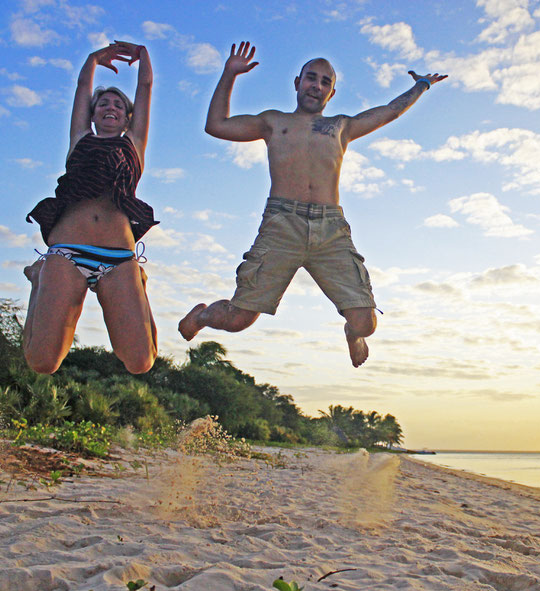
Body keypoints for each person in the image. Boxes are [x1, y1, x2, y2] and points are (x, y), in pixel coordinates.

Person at [178, 41, 446, 367]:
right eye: (311, 78)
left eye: (325, 82)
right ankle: (205, 316)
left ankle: (352, 333)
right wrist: (229, 74)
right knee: (238, 321)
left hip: (330, 230)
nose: (316, 86)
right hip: (282, 225)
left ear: (331, 93)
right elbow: (216, 125)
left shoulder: (341, 127)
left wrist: (422, 84)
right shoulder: (273, 122)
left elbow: (389, 111)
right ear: (297, 82)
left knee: (366, 322)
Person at [23, 41, 158, 374]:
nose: (109, 107)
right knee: (43, 363)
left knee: (141, 362)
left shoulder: (133, 144)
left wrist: (143, 54)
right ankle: (38, 278)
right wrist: (92, 59)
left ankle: (139, 282)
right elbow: (83, 88)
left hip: (119, 257)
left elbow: (145, 86)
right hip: (68, 251)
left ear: (128, 118)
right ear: (93, 113)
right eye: (102, 104)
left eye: (117, 104)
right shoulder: (80, 139)